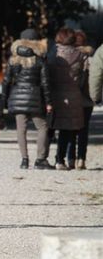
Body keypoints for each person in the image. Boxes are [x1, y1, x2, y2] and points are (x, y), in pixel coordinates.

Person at [2, 28, 53, 169]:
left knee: (21, 129)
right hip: (36, 97)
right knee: (42, 127)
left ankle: (24, 160)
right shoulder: (40, 60)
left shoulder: (13, 60)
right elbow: (45, 83)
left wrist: (4, 100)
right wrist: (48, 102)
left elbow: (6, 81)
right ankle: (40, 159)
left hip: (17, 97)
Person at [48, 27, 87, 170]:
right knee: (70, 129)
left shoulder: (53, 54)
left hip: (55, 94)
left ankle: (46, 158)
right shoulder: (81, 55)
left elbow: (48, 75)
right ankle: (66, 160)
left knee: (50, 127)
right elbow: (83, 78)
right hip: (74, 94)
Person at [66, 30, 94, 170]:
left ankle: (70, 159)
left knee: (71, 129)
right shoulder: (90, 58)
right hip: (87, 100)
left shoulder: (69, 58)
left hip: (72, 99)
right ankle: (81, 158)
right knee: (83, 130)